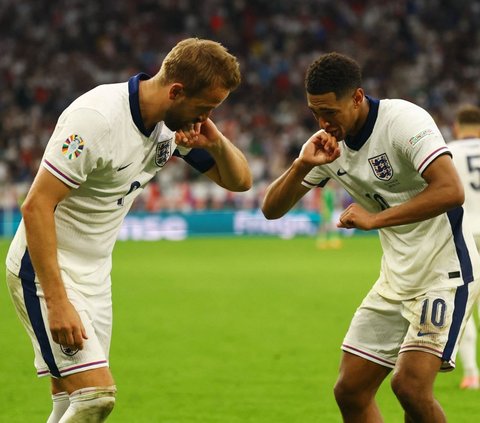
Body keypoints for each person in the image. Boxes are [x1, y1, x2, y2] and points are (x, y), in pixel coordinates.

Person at [5, 38, 252, 423]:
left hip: (96, 275)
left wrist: (216, 141)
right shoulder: (97, 118)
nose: (203, 118)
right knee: (95, 398)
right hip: (44, 269)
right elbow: (36, 206)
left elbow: (240, 181)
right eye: (204, 108)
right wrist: (57, 301)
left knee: (69, 400)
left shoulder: (172, 127)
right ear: (176, 91)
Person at [261, 52, 480, 422]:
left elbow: (450, 190)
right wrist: (301, 164)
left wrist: (376, 219)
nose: (323, 122)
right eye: (315, 112)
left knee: (409, 386)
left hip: (445, 272)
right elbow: (271, 209)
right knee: (350, 390)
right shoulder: (327, 146)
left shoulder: (403, 122)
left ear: (358, 97)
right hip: (395, 278)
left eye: (330, 112)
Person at [448, 104, 480, 390]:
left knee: (466, 299)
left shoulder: (448, 151)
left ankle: (472, 372)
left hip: (464, 232)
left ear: (457, 128)